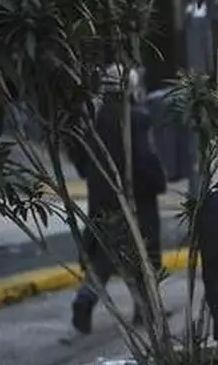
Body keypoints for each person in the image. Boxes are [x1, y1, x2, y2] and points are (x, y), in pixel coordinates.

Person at [69, 65, 167, 333]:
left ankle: (85, 299)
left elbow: (79, 155)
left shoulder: (96, 118)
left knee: (104, 254)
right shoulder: (136, 118)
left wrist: (93, 177)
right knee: (143, 254)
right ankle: (145, 310)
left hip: (102, 196)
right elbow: (146, 160)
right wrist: (157, 181)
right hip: (135, 198)